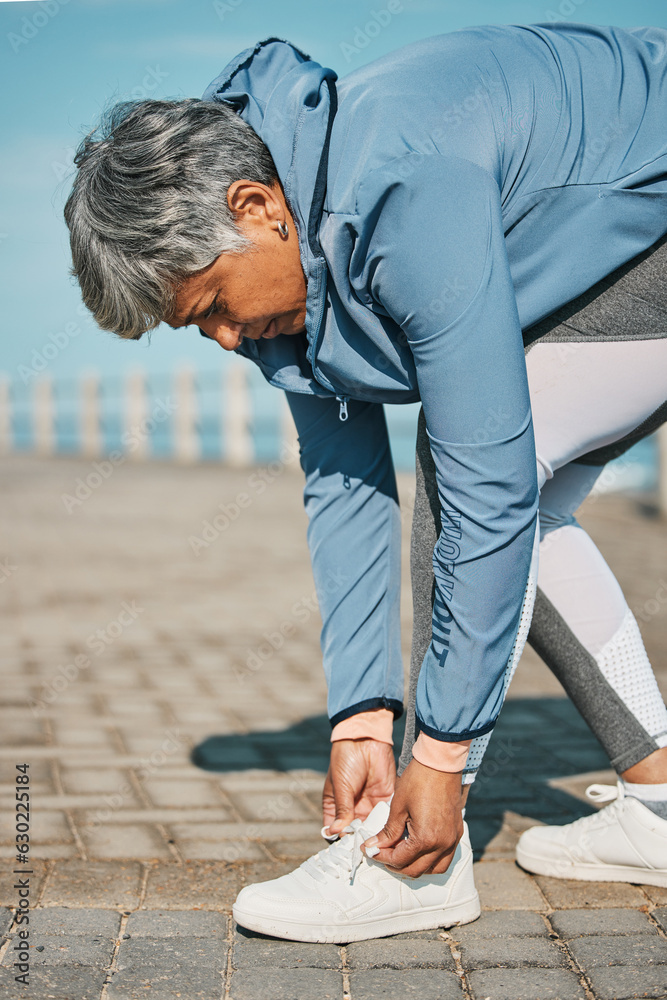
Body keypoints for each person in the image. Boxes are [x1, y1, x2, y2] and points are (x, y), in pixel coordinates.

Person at [64, 23, 667, 943]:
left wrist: (439, 754)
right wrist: (360, 714)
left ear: (255, 204)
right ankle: (661, 809)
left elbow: (485, 476)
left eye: (214, 308)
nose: (227, 340)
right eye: (198, 331)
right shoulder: (287, 272)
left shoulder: (396, 181)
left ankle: (419, 868)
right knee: (505, 495)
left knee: (479, 478)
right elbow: (344, 482)